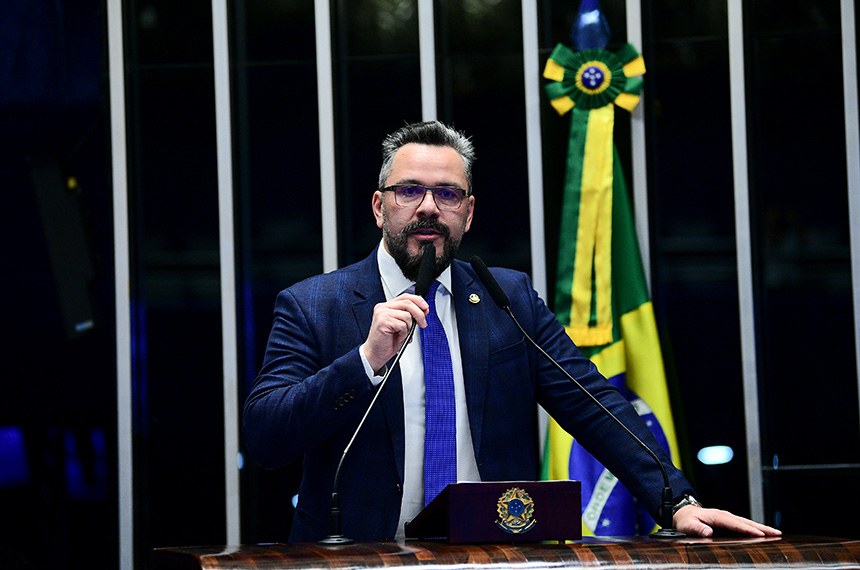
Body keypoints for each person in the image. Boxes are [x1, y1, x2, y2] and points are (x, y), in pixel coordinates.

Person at [242, 120, 781, 542]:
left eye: (448, 194)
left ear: (468, 212)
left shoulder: (507, 297)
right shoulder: (314, 304)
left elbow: (593, 404)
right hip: (360, 557)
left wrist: (677, 502)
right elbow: (266, 436)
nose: (428, 207)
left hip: (494, 553)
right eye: (409, 191)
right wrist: (364, 360)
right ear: (380, 207)